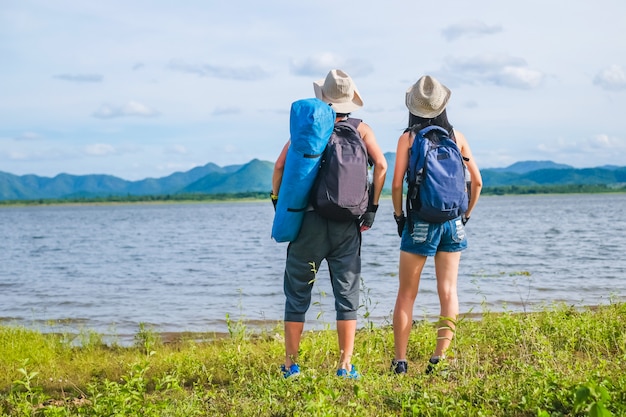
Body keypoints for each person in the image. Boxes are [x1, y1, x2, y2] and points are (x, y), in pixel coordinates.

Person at [272, 69, 387, 378]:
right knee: (346, 294)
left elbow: (281, 165)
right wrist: (372, 209)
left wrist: (278, 202)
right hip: (347, 224)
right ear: (351, 101)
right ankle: (345, 365)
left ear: (323, 98)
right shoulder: (362, 130)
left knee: (297, 294)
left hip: (308, 222)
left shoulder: (310, 127)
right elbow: (383, 166)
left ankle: (290, 365)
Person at [390, 75, 482, 375]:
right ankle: (438, 360)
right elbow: (477, 182)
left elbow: (395, 186)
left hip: (420, 221)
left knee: (406, 294)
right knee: (448, 291)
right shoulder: (457, 137)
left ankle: (400, 362)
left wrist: (399, 217)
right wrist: (464, 215)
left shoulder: (408, 138)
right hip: (453, 222)